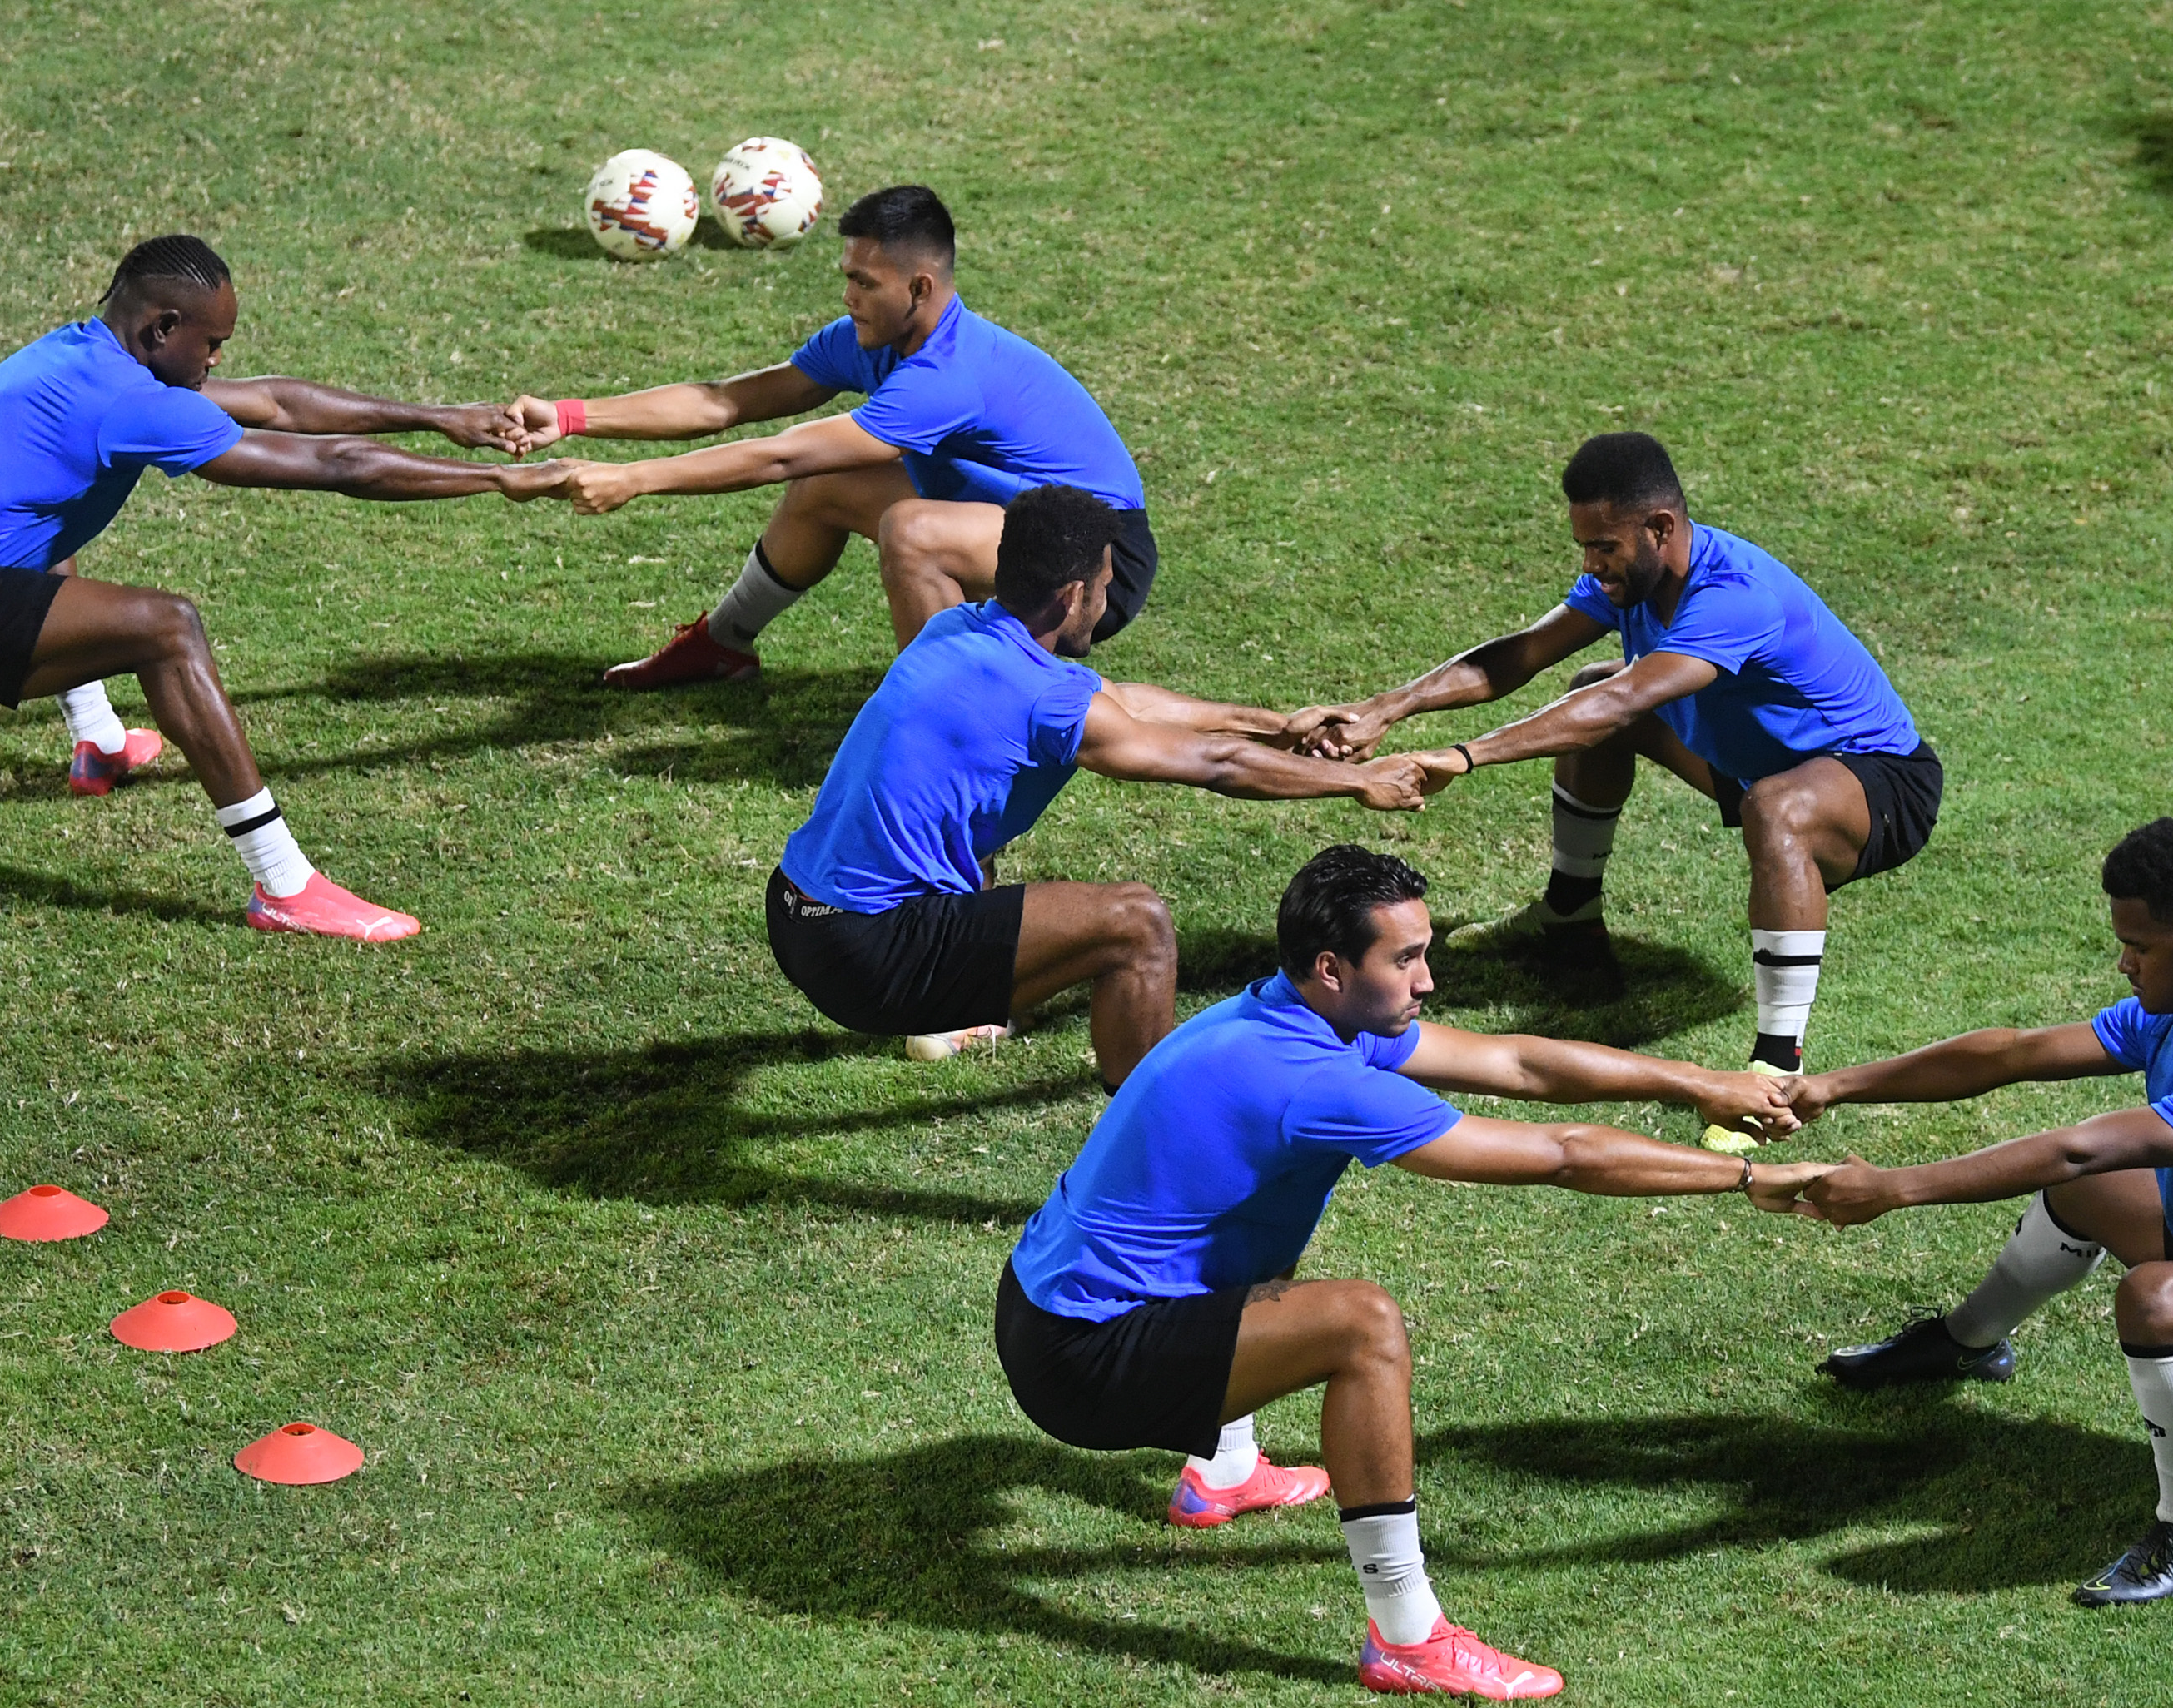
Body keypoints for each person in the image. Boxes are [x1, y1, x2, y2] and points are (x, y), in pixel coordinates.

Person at [996, 845, 1812, 1696]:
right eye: (1405, 959)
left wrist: (1697, 1084)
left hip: (1041, 1297)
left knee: (1263, 1206)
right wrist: (1747, 1177)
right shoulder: (1309, 1079)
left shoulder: (1291, 1016)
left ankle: (1224, 1472)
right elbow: (1562, 1157)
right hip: (1078, 1355)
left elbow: (1515, 1063)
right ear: (1331, 968)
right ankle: (1407, 1638)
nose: (1426, 980)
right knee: (1361, 1324)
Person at [0, 234, 564, 941]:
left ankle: (100, 745)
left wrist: (439, 419)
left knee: (47, 514)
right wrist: (500, 479)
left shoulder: (87, 354)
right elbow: (337, 465)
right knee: (167, 628)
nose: (214, 363)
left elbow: (276, 403)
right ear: (162, 326)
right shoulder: (128, 402)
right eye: (210, 346)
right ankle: (284, 888)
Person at [1778, 817, 2173, 1606]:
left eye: (2142, 945)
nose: (2124, 961)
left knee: (2154, 1298)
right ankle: (1965, 1344)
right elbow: (2014, 1053)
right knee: (2090, 1196)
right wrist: (1840, 1084)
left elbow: (2076, 1147)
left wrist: (1895, 1187)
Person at [1290, 432, 1943, 1147]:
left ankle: (1775, 1071)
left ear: (1660, 529)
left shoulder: (1735, 596)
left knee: (1766, 802)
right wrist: (1390, 706)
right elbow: (1521, 654)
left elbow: (1623, 706)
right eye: (1584, 546)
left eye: (1603, 546)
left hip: (1877, 784)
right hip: (1757, 763)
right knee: (1588, 684)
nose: (1590, 564)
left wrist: (1466, 756)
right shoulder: (1634, 577)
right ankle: (1569, 915)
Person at [771, 486, 1425, 1084]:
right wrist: (1356, 780)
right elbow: (1217, 765)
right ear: (1073, 596)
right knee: (1136, 926)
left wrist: (1277, 725)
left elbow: (1125, 701)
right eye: (1105, 586)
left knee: (984, 833)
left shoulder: (955, 629)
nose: (1109, 601)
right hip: (866, 953)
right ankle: (1153, 1153)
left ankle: (974, 1010)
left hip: (795, 913)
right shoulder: (1044, 701)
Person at [510, 185, 1157, 685]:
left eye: (864, 282)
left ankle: (949, 720)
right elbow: (723, 402)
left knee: (911, 531)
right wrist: (569, 415)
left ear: (921, 287)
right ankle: (722, 647)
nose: (848, 296)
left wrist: (633, 480)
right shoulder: (871, 340)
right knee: (826, 485)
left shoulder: (948, 375)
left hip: (1097, 565)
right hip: (1020, 518)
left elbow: (781, 454)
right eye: (847, 276)